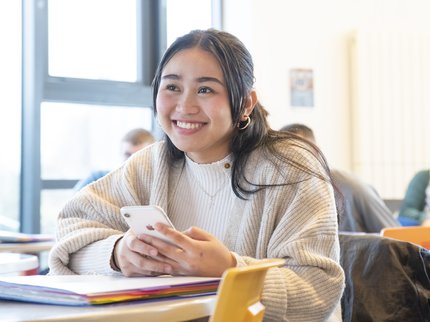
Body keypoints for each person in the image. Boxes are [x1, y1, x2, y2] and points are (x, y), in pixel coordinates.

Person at [49, 29, 344, 322]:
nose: (184, 106)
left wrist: (230, 269)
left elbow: (318, 288)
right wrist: (116, 254)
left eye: (205, 89)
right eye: (172, 87)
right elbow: (69, 233)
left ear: (245, 104)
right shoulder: (150, 164)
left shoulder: (290, 168)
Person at [280, 123, 400, 233]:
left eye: (297, 153)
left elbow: (399, 240)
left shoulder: (353, 189)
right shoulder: (284, 194)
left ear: (316, 152)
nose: (290, 162)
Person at [73, 128, 155, 190]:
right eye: (127, 155)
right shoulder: (97, 179)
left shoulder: (156, 188)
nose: (131, 161)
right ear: (120, 153)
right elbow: (72, 206)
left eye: (138, 156)